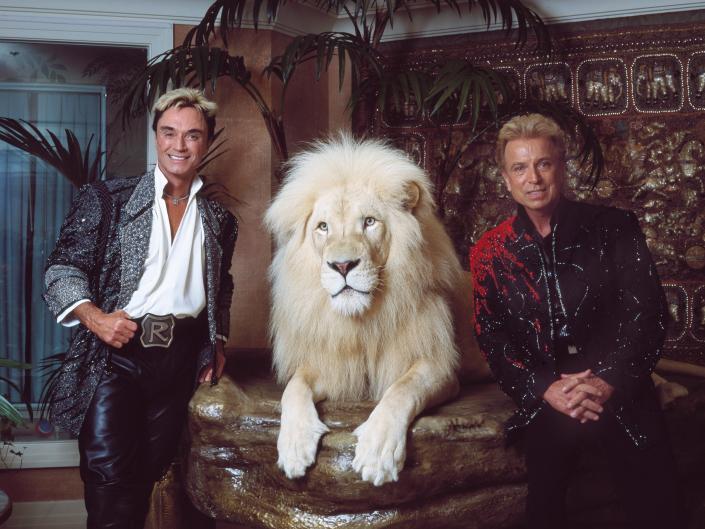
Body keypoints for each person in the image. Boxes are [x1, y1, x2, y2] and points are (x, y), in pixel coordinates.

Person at [470, 113, 682, 529]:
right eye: (520, 167)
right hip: (549, 395)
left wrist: (604, 383)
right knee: (544, 501)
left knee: (657, 498)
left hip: (618, 387)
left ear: (562, 167)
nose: (533, 178)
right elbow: (493, 338)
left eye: (544, 164)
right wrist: (546, 389)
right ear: (506, 178)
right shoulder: (489, 252)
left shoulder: (614, 229)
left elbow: (649, 315)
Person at [43, 88, 237, 529]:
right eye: (168, 133)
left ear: (206, 141)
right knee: (110, 484)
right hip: (117, 357)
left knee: (152, 475)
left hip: (180, 362)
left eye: (192, 135)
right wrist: (95, 318)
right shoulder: (109, 199)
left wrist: (216, 341)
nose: (179, 145)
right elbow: (61, 269)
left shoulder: (220, 220)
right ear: (155, 137)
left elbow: (221, 286)